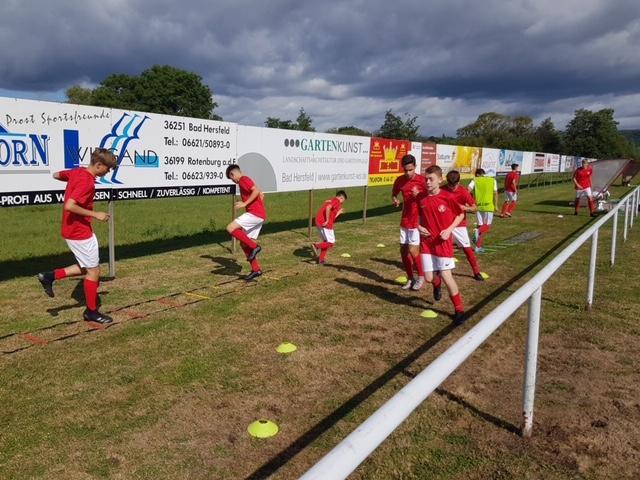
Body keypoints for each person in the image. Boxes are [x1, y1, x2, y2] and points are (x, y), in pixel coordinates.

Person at [37, 148, 119, 324]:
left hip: (72, 229)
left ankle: (49, 276)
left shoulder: (78, 172)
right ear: (99, 165)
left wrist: (71, 180)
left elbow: (56, 175)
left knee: (87, 267)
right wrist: (95, 214)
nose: (107, 172)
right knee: (94, 271)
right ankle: (91, 311)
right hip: (79, 231)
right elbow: (70, 205)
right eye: (107, 169)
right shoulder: (87, 182)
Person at [417, 165, 466, 325]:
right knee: (428, 277)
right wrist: (419, 227)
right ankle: (436, 283)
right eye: (426, 179)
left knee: (446, 275)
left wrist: (449, 229)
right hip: (426, 243)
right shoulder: (421, 197)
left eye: (431, 179)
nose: (427, 182)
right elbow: (418, 217)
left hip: (442, 243)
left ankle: (459, 310)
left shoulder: (448, 197)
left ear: (440, 180)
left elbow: (460, 214)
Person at [392, 154, 427, 290]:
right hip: (405, 219)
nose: (408, 173)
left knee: (413, 250)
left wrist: (420, 196)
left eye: (410, 170)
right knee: (404, 251)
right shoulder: (399, 180)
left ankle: (421, 276)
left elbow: (431, 198)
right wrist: (395, 200)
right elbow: (394, 194)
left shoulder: (422, 180)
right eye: (405, 170)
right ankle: (410, 278)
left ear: (415, 167)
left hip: (417, 219)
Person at [225, 164, 266, 280]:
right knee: (243, 243)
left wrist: (245, 203)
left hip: (255, 214)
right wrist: (257, 203)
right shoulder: (246, 180)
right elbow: (261, 194)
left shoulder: (243, 180)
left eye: (231, 178)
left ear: (233, 174)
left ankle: (255, 246)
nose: (233, 181)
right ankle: (256, 270)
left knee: (230, 228)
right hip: (259, 214)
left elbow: (256, 191)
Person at [441, 170, 484, 281]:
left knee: (467, 249)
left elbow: (475, 208)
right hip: (444, 224)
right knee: (442, 248)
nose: (451, 187)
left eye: (454, 185)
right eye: (449, 184)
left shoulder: (464, 192)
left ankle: (476, 272)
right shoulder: (441, 190)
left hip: (459, 225)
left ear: (459, 182)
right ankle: (439, 270)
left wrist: (466, 208)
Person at [311, 190, 347, 265]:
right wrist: (327, 220)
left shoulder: (329, 200)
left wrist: (339, 212)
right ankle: (316, 246)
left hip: (318, 221)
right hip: (325, 224)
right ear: (341, 197)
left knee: (326, 241)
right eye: (342, 201)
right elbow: (328, 208)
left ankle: (321, 260)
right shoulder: (336, 200)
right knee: (331, 243)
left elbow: (332, 216)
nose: (341, 203)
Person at [468, 168, 498, 253]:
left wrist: (471, 201)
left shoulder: (475, 180)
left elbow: (468, 189)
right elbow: (495, 193)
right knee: (487, 225)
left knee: (480, 225)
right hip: (488, 206)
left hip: (478, 206)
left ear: (477, 174)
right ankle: (477, 232)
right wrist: (496, 205)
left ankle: (478, 247)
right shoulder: (492, 180)